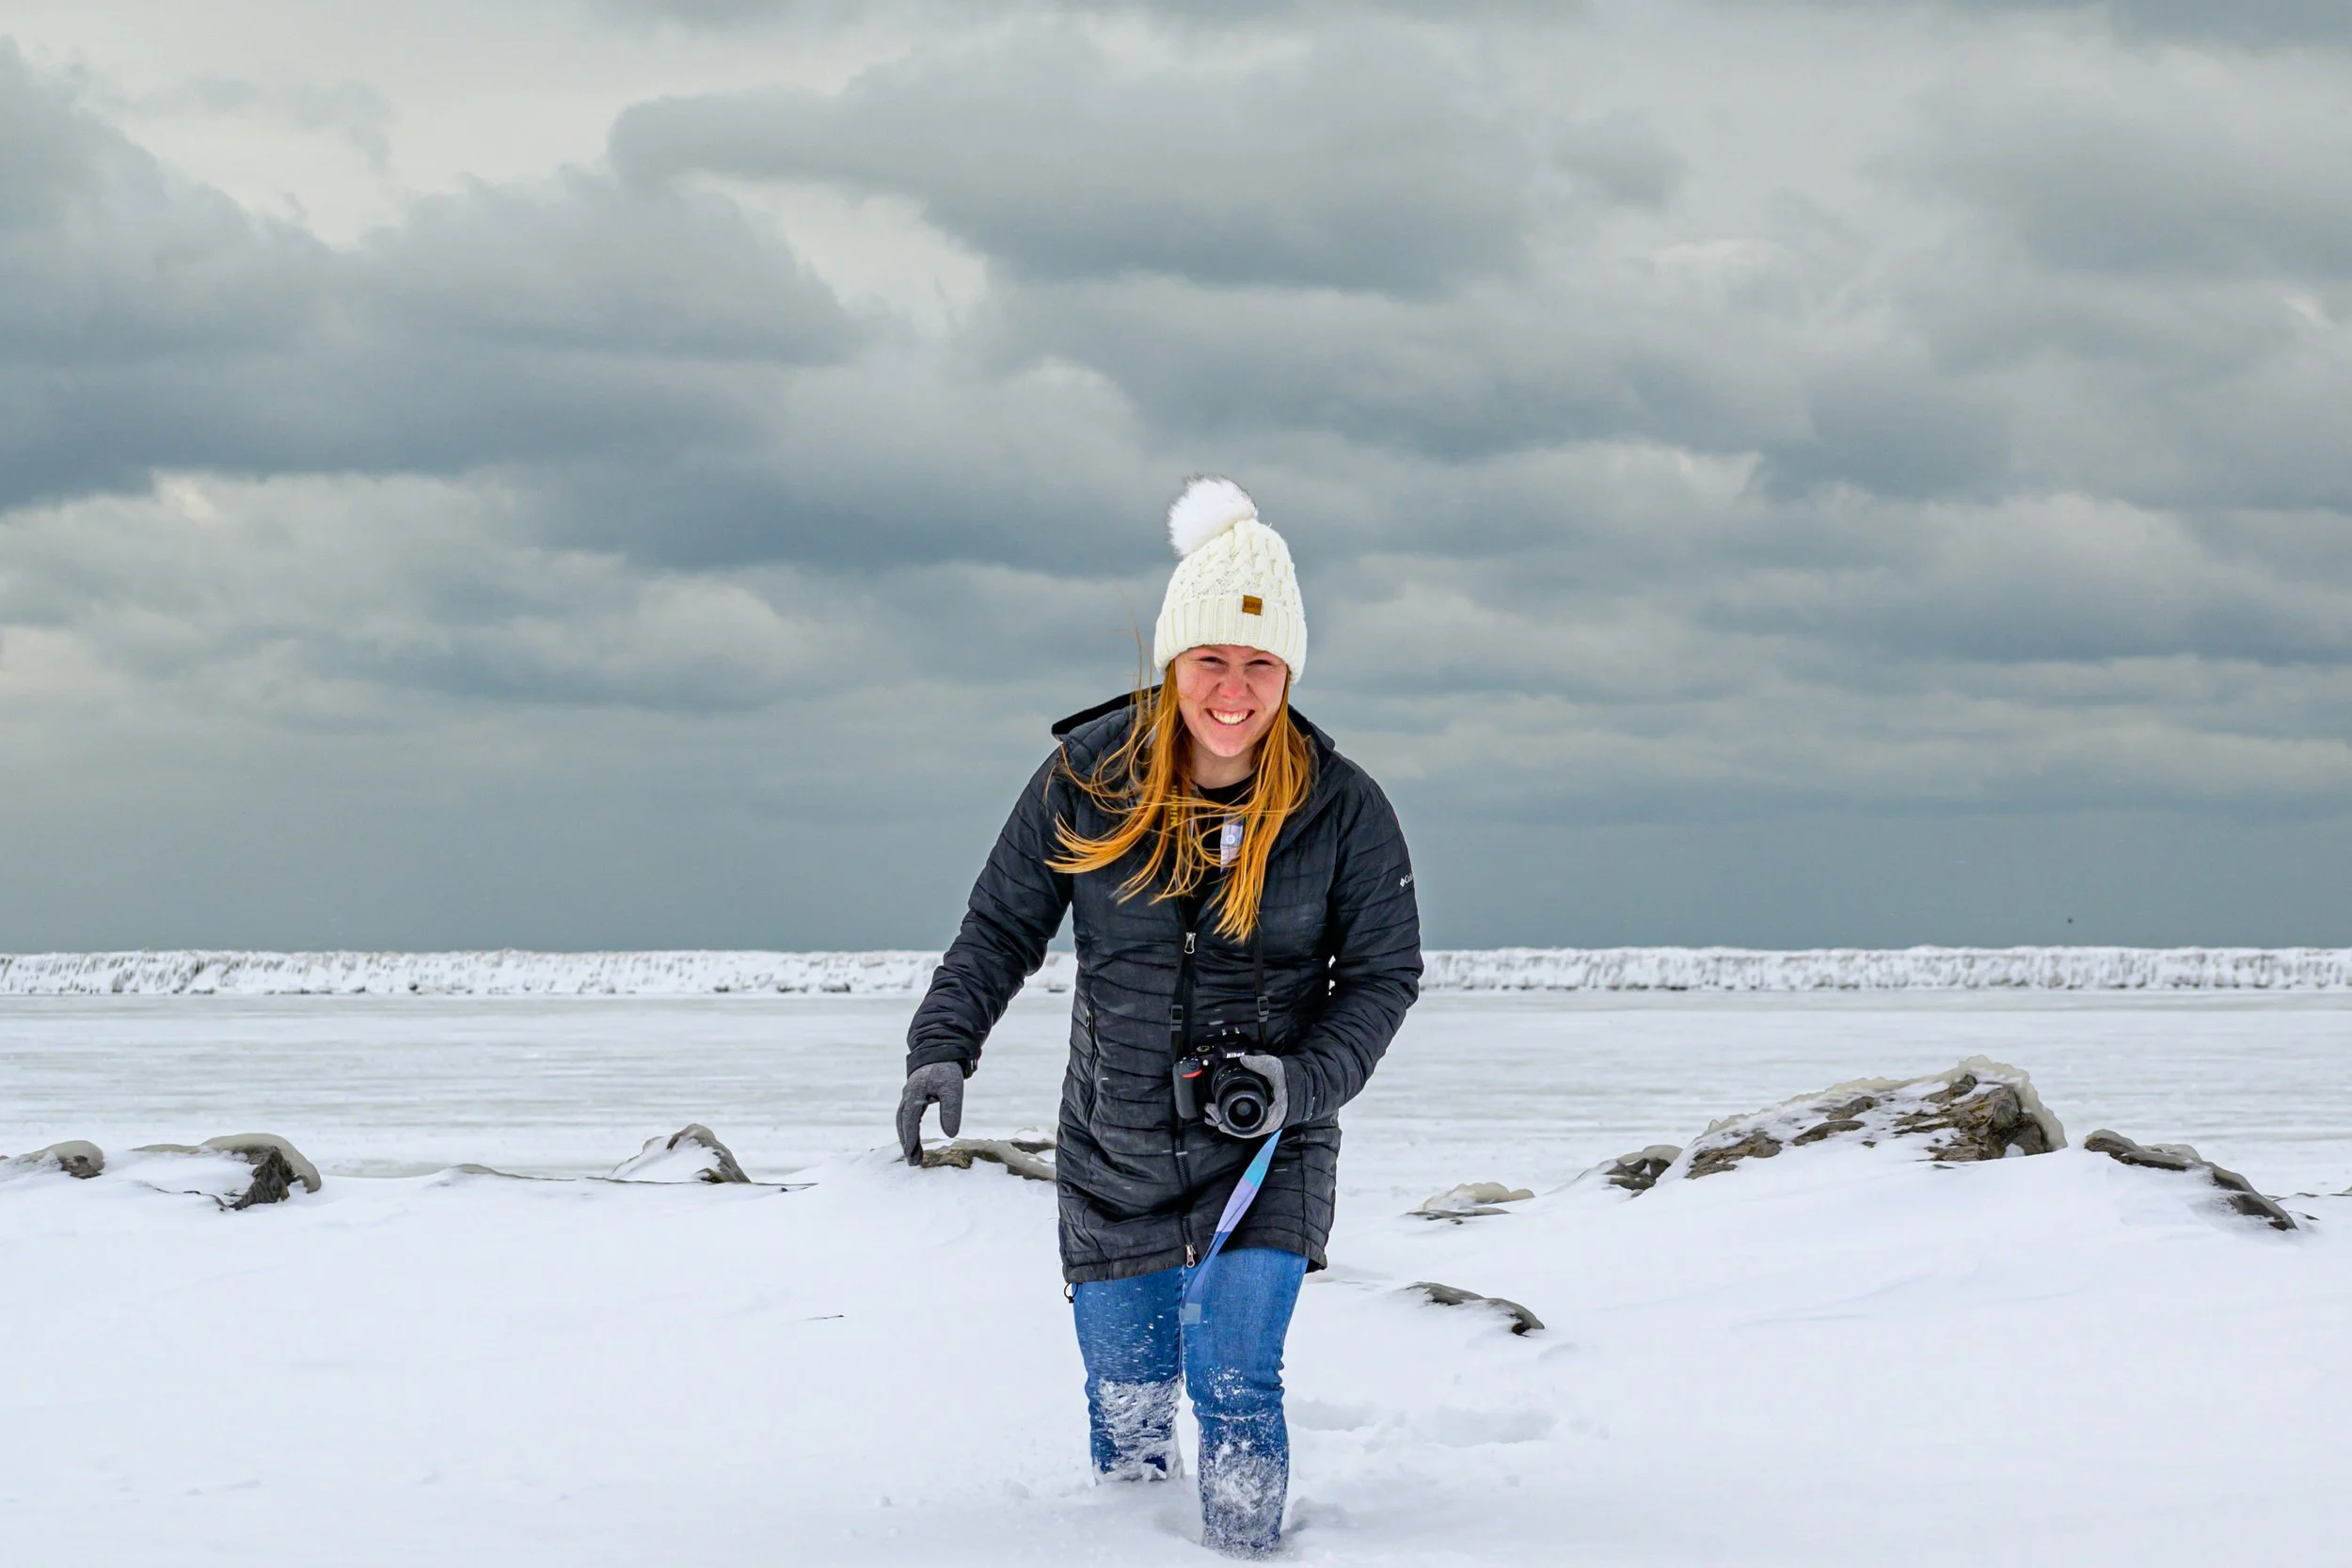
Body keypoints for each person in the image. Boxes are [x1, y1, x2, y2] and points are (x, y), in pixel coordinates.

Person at [896, 475, 1422, 1558]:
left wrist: (1300, 1082)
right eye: (1212, 660)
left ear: (1289, 671)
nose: (1233, 689)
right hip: (1115, 1145)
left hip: (1265, 1142)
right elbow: (999, 929)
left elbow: (1381, 975)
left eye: (1260, 662)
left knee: (1237, 1380)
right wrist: (940, 1048)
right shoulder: (1086, 778)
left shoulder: (1343, 806)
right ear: (1173, 661)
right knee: (1128, 1406)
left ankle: (1242, 1550)